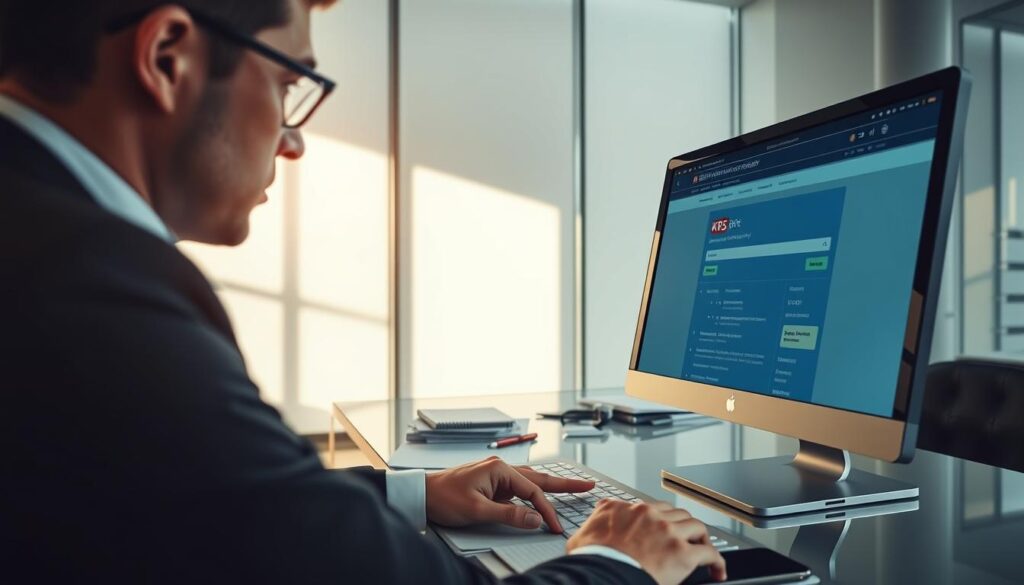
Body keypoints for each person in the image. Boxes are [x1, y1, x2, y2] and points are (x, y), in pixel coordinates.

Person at [0, 1, 727, 583]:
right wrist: (619, 561)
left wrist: (412, 492)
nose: (293, 142)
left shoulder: (41, 231)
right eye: (287, 85)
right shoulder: (90, 288)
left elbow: (210, 499)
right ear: (168, 58)